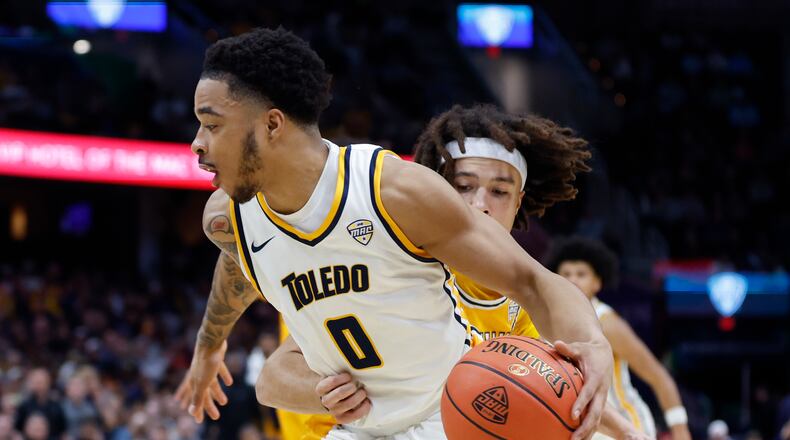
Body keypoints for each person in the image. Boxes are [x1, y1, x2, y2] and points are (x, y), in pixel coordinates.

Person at [180, 27, 612, 439]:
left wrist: (592, 343)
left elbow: (532, 280)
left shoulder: (392, 191)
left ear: (273, 125)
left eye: (212, 125)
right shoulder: (228, 219)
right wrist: (209, 344)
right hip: (360, 429)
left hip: (451, 415)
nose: (197, 143)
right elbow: (239, 266)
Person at [257, 104, 647, 439]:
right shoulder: (392, 266)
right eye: (463, 187)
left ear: (518, 202)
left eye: (499, 192)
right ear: (434, 191)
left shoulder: (523, 303)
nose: (479, 205)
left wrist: (617, 425)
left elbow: (539, 390)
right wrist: (328, 390)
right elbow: (272, 378)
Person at [546, 237, 693, 440]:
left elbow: (658, 376)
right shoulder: (545, 319)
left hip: (626, 424)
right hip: (586, 424)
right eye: (566, 274)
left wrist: (680, 429)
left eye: (581, 274)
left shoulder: (607, 322)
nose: (572, 280)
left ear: (597, 283)